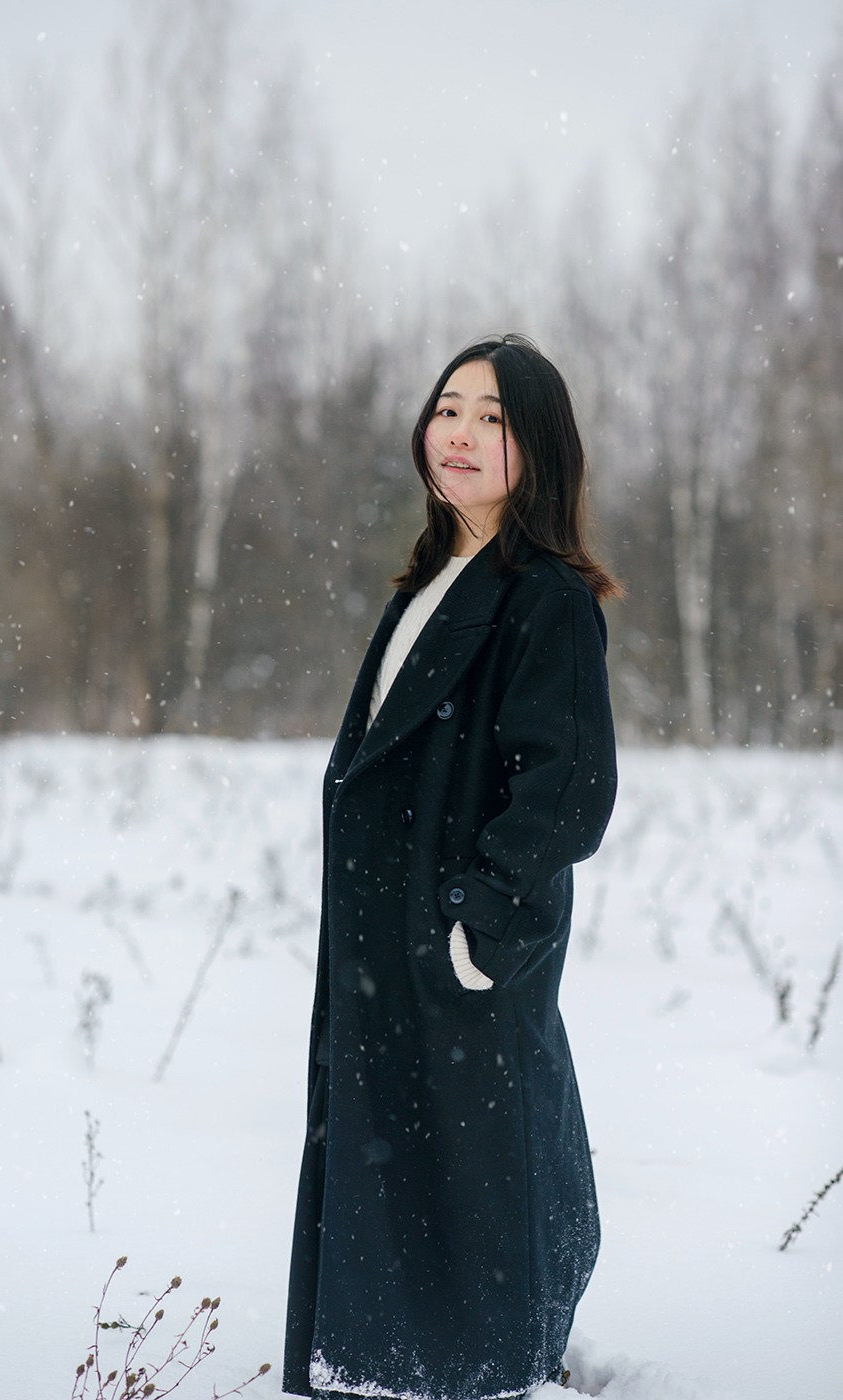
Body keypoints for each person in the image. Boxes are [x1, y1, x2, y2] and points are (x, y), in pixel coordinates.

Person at [283, 334, 620, 1400]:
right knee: (396, 1188)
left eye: (492, 417)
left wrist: (478, 917)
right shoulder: (433, 579)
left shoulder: (543, 596)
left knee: (480, 1195)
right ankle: (381, 1369)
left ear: (539, 450)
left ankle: (485, 1374)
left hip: (459, 959)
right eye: (447, 408)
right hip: (389, 957)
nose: (461, 433)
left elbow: (566, 787)